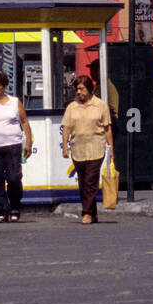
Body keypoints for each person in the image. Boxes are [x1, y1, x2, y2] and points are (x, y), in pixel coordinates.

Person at [61, 75, 113, 224]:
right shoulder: (72, 107)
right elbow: (66, 127)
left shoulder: (101, 105)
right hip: (78, 149)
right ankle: (93, 213)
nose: (78, 92)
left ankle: (87, 213)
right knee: (83, 182)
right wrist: (65, 146)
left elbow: (107, 128)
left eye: (81, 89)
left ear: (89, 89)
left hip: (96, 147)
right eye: (77, 89)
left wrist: (111, 148)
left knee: (91, 181)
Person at [0, 70, 32, 223]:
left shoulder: (14, 102)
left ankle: (15, 207)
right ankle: (1, 211)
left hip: (13, 145)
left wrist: (29, 142)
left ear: (4, 87)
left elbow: (24, 122)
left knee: (14, 178)